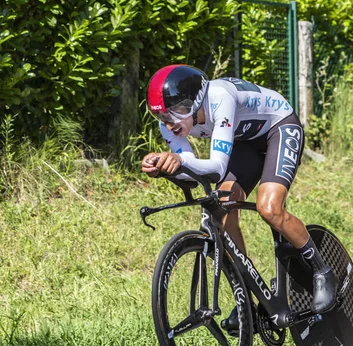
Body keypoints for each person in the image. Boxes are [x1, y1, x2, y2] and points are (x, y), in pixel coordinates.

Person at [141, 64, 338, 328]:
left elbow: (217, 167)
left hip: (278, 128)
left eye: (176, 111)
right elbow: (189, 169)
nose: (169, 122)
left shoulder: (220, 96)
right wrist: (164, 168)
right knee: (221, 207)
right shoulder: (171, 126)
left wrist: (178, 161)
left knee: (269, 207)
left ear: (196, 100)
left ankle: (322, 271)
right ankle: (246, 297)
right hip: (244, 141)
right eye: (162, 115)